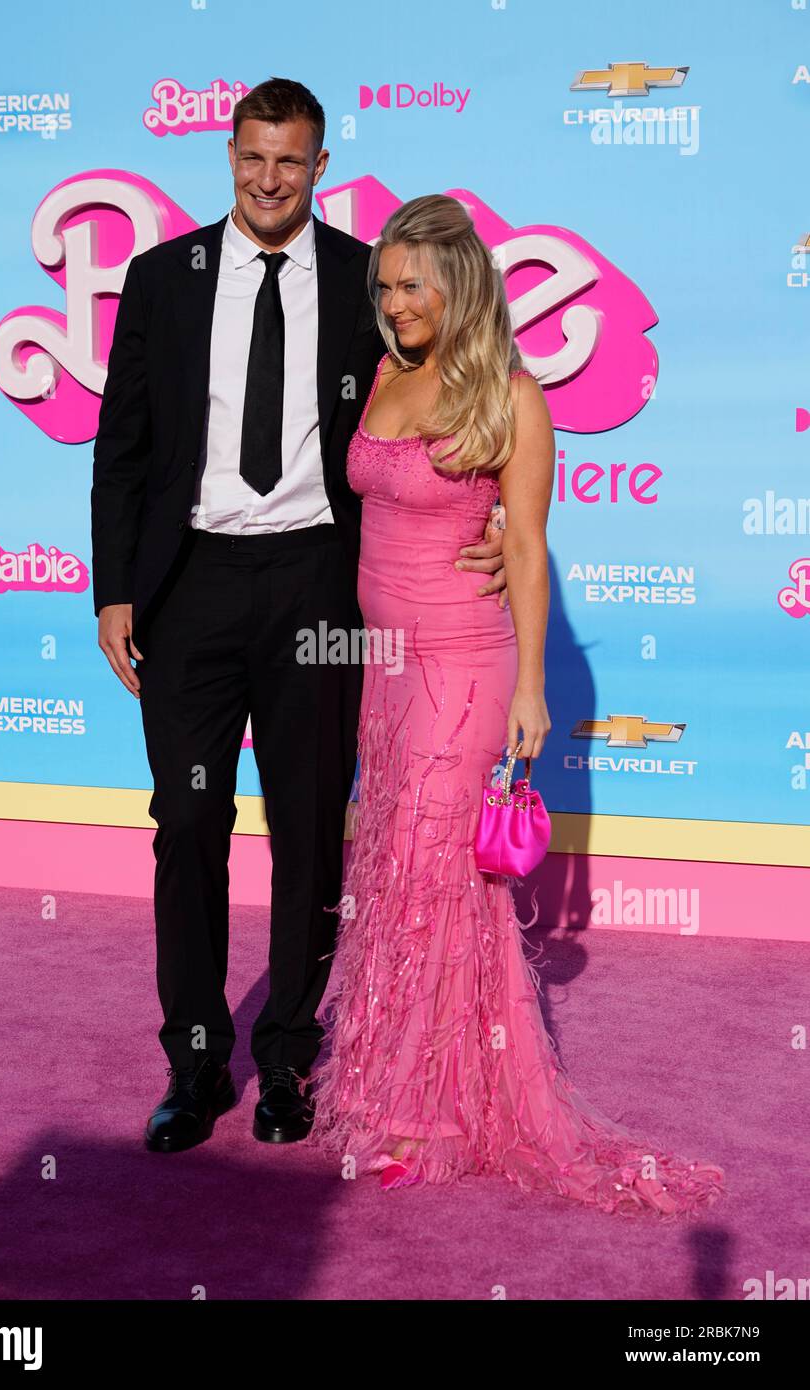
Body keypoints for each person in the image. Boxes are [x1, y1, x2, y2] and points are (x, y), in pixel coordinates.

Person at [91, 79, 509, 1154]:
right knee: (187, 823)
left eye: (293, 161)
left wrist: (504, 511)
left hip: (318, 588)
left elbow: (464, 381)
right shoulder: (161, 280)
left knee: (312, 831)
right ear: (227, 155)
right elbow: (122, 452)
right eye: (253, 158)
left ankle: (284, 1059)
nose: (270, 179)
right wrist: (114, 589)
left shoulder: (363, 281)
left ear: (320, 167)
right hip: (189, 591)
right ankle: (193, 1063)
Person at [310, 194, 727, 1219]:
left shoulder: (510, 396)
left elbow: (527, 547)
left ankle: (433, 1110)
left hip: (465, 662)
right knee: (387, 858)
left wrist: (534, 687)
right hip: (384, 663)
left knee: (431, 869)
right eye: (386, 284)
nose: (395, 301)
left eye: (414, 284)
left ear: (460, 284)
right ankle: (382, 1077)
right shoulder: (382, 375)